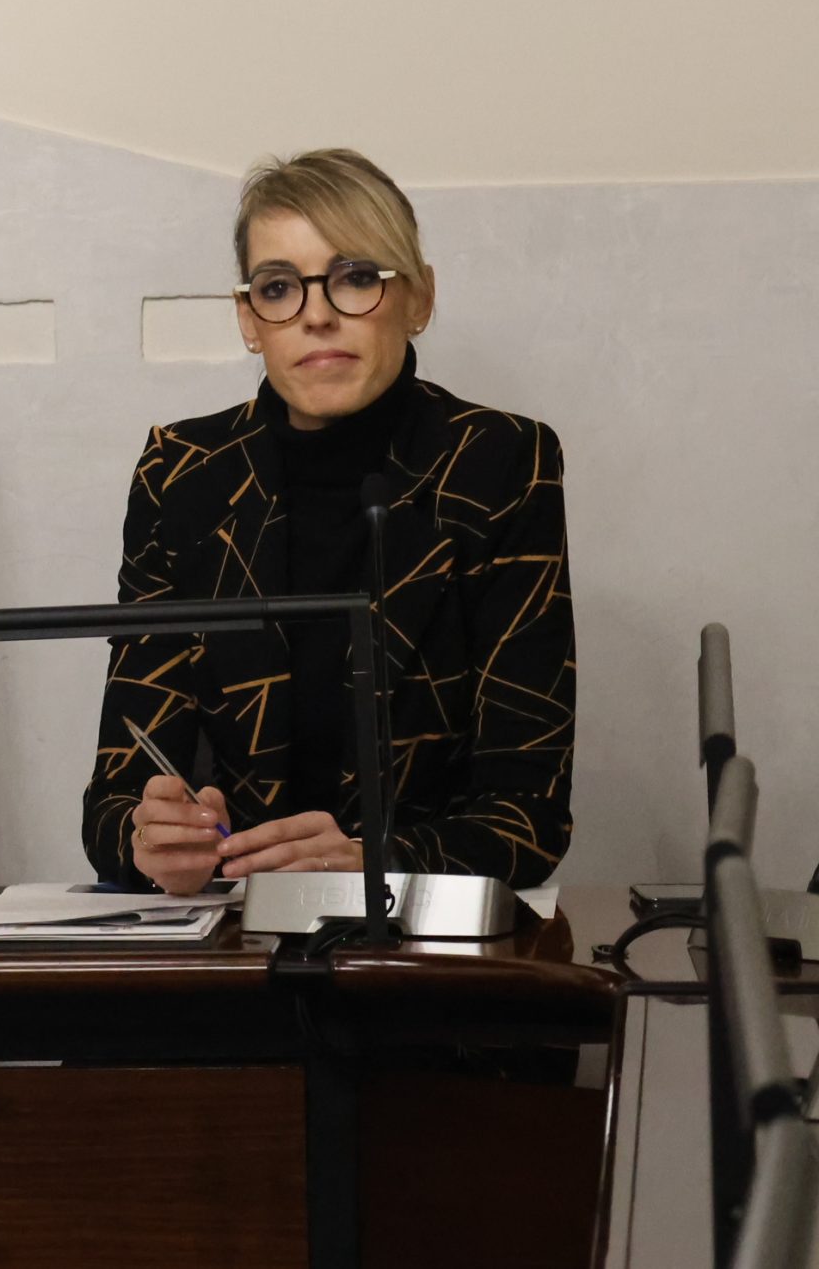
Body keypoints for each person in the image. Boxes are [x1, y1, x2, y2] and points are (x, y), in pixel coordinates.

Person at [82, 149, 574, 893]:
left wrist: (375, 861)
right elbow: (112, 802)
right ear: (249, 320)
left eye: (356, 277)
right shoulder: (182, 471)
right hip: (236, 929)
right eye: (278, 287)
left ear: (420, 298)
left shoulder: (499, 462)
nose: (316, 314)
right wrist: (148, 839)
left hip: (414, 945)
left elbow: (529, 816)